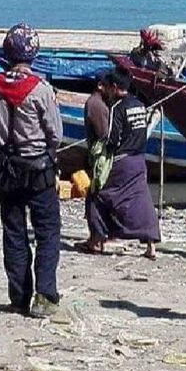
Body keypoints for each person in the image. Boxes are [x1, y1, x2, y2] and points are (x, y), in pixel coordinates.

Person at [0, 23, 63, 318]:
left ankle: (18, 297)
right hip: (38, 168)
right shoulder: (41, 90)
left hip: (7, 167)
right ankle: (45, 296)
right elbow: (54, 133)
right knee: (47, 233)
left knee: (14, 232)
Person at [83, 69, 161, 258]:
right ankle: (151, 245)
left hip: (121, 162)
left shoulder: (118, 108)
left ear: (115, 88)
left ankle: (97, 240)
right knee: (142, 201)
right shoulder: (139, 104)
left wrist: (100, 149)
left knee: (97, 195)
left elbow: (112, 138)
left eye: (109, 88)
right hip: (139, 160)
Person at [76, 70, 112, 253]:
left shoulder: (98, 103)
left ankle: (98, 236)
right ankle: (97, 237)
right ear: (100, 86)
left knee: (97, 196)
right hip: (99, 158)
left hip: (97, 156)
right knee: (95, 196)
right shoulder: (96, 105)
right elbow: (104, 134)